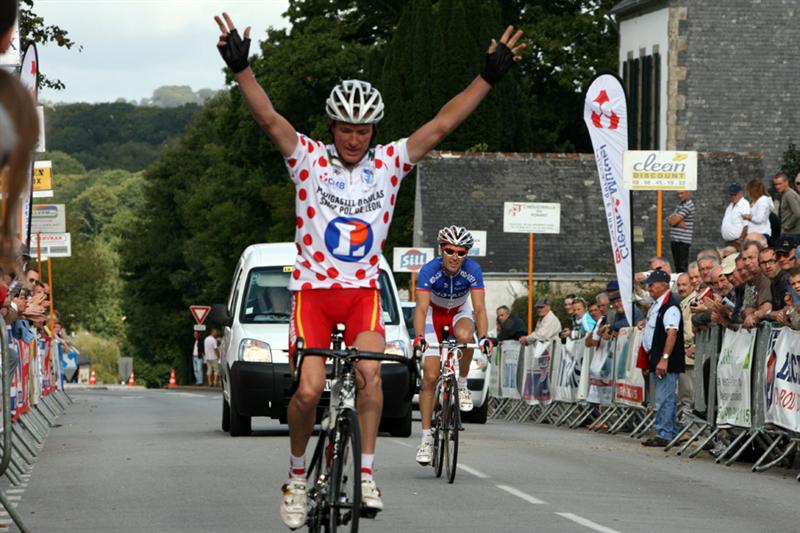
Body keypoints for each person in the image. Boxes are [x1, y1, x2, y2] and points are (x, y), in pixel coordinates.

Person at [213, 12, 526, 527]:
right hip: (313, 293)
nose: (354, 138)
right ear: (331, 127)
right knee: (310, 391)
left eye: (363, 129)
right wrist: (244, 71)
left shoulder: (390, 163)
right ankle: (295, 477)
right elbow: (270, 119)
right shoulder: (308, 159)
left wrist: (487, 78)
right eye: (345, 128)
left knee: (370, 375)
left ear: (373, 130)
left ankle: (365, 473)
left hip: (363, 295)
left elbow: (443, 123)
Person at [412, 226, 492, 465]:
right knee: (430, 377)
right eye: (450, 251)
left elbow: (479, 308)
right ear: (441, 250)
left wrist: (485, 336)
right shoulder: (429, 270)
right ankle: (426, 438)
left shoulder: (473, 270)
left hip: (459, 312)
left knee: (467, 337)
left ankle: (462, 382)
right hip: (433, 317)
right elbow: (421, 308)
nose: (455, 257)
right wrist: (419, 336)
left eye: (461, 252)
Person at [640, 270, 685, 447]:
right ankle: (670, 431)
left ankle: (664, 433)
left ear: (664, 285)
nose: (649, 287)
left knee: (665, 397)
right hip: (657, 357)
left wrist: (664, 358)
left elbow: (672, 333)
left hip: (666, 360)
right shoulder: (658, 304)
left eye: (653, 284)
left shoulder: (670, 305)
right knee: (664, 397)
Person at [667, 191, 695, 273]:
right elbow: (668, 219)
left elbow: (672, 222)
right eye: (678, 194)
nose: (679, 196)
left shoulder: (688, 205)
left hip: (683, 241)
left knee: (682, 266)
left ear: (688, 193)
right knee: (676, 265)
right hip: (675, 240)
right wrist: (677, 221)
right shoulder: (680, 205)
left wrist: (675, 221)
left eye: (682, 193)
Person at [775, 171, 800, 243]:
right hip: (790, 233)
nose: (777, 186)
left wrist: (787, 227)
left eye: (780, 184)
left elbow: (797, 213)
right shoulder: (787, 194)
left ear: (786, 182)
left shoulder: (789, 194)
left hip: (792, 234)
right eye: (776, 184)